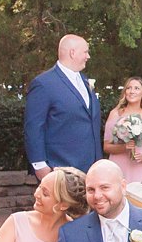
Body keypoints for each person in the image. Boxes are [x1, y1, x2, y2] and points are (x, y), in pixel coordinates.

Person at [24, 34, 104, 179]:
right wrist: (40, 165)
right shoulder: (44, 84)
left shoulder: (85, 80)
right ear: (72, 53)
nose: (88, 56)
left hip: (91, 168)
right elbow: (34, 127)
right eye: (85, 52)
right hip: (60, 169)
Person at [103, 77, 142, 184]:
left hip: (141, 167)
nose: (132, 91)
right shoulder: (115, 114)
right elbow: (106, 147)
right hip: (119, 167)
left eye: (136, 88)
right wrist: (124, 147)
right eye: (129, 88)